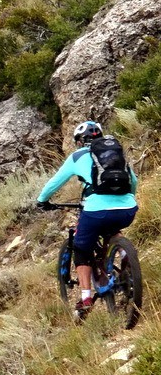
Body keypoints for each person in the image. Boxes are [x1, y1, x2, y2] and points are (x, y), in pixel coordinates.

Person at [37, 121, 139, 317]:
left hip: (95, 210)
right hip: (127, 209)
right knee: (112, 230)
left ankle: (85, 300)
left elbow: (55, 182)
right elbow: (133, 181)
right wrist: (127, 198)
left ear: (79, 141)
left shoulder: (77, 156)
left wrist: (42, 200)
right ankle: (127, 263)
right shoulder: (117, 154)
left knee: (81, 248)